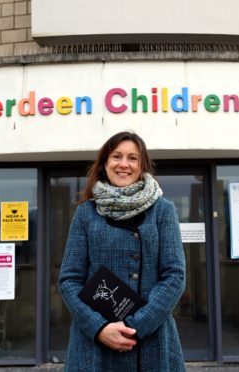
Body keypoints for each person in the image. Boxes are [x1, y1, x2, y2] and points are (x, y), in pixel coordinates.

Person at [58, 131, 186, 371]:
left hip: (152, 339)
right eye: (116, 156)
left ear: (142, 165)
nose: (124, 164)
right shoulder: (86, 212)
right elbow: (69, 280)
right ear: (105, 164)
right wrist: (100, 328)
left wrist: (135, 326)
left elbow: (174, 275)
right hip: (94, 343)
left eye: (132, 158)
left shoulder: (163, 210)